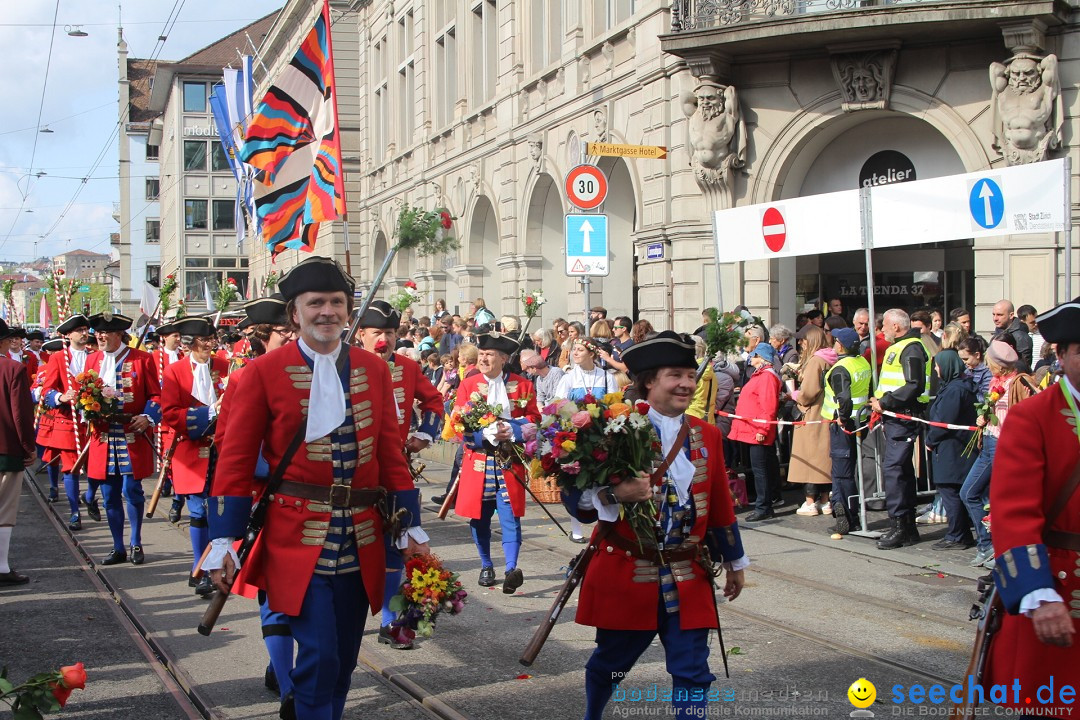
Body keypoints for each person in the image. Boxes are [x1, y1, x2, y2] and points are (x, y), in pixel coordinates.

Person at [206, 256, 428, 720]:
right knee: (320, 654)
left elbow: (391, 457)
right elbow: (235, 462)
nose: (327, 311)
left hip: (362, 536)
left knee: (344, 660)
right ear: (295, 313)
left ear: (348, 310)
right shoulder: (262, 372)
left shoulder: (374, 369)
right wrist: (223, 539)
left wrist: (410, 527)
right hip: (294, 535)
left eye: (336, 302)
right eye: (315, 303)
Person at [564, 330, 747, 719]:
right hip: (628, 571)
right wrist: (617, 495)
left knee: (694, 672)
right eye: (675, 375)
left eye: (689, 375)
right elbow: (578, 503)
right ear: (649, 380)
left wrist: (735, 563)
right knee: (610, 666)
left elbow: (719, 505)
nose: (686, 384)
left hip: (687, 571)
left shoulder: (708, 434)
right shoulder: (609, 428)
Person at [982, 296, 1080, 715]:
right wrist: (1041, 596)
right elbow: (1013, 514)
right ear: (1060, 354)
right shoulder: (1034, 417)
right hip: (1062, 587)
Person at [214, 294, 297, 702]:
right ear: (264, 336)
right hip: (270, 503)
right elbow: (225, 444)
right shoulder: (244, 377)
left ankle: (288, 671)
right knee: (274, 595)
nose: (293, 337)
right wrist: (269, 467)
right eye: (285, 331)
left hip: (322, 503)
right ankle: (287, 686)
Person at [354, 300, 443, 650]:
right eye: (378, 332)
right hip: (354, 472)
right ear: (361, 334)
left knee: (398, 542)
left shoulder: (407, 367)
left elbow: (434, 402)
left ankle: (390, 622)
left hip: (395, 467)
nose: (385, 339)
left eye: (390, 333)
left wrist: (423, 435)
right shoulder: (345, 364)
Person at [453, 332, 538, 591]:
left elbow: (535, 419)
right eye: (481, 355)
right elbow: (458, 424)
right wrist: (485, 435)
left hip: (509, 461)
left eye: (489, 355)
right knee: (480, 518)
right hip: (478, 461)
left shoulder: (523, 385)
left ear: (503, 358)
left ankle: (511, 568)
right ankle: (487, 565)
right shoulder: (468, 385)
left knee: (511, 516)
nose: (483, 359)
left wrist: (512, 431)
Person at [84, 312, 162, 566]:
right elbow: (82, 395)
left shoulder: (142, 359)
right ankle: (117, 546)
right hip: (102, 436)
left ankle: (136, 542)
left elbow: (157, 396)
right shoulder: (92, 361)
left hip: (132, 433)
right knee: (109, 494)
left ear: (119, 335)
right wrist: (85, 409)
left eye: (106, 333)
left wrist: (148, 417)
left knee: (132, 490)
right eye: (98, 333)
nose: (101, 337)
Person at [160, 316, 229, 598]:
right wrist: (208, 413)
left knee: (219, 510)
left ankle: (216, 565)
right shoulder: (175, 371)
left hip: (223, 447)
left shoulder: (226, 366)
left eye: (212, 339)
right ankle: (199, 567)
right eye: (205, 340)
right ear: (190, 343)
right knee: (199, 510)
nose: (211, 344)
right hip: (191, 449)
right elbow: (170, 413)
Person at [961, 340, 1032, 569]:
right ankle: (987, 545)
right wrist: (982, 419)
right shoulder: (995, 382)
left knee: (994, 498)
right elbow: (993, 411)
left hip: (1004, 445)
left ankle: (997, 549)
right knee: (969, 492)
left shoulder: (1018, 383)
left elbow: (1026, 414)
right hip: (989, 443)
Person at [869, 308, 930, 550]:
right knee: (901, 471)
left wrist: (885, 402)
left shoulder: (911, 347)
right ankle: (907, 526)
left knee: (894, 470)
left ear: (896, 326)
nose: (882, 329)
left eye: (884, 325)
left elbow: (914, 384)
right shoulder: (904, 346)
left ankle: (898, 525)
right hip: (895, 417)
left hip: (904, 417)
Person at [554, 336, 618, 543]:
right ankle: (576, 527)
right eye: (574, 350)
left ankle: (604, 525)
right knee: (576, 482)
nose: (575, 353)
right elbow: (558, 405)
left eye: (580, 350)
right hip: (577, 437)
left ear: (592, 353)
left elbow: (616, 405)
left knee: (602, 480)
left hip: (601, 436)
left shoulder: (607, 377)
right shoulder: (569, 378)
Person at [38, 315, 92, 531]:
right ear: (68, 335)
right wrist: (60, 397)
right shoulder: (59, 358)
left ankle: (89, 496)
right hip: (68, 421)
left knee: (97, 468)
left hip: (92, 421)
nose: (84, 333)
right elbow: (46, 390)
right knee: (71, 468)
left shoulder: (95, 356)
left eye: (85, 329)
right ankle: (74, 511)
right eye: (79, 330)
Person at [923, 350, 977, 551]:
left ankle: (957, 535)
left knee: (950, 491)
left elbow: (943, 421)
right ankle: (960, 533)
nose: (936, 370)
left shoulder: (954, 390)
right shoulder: (959, 386)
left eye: (937, 366)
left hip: (952, 448)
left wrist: (931, 439)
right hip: (956, 447)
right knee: (954, 491)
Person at [821, 328, 871, 536]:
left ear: (840, 345)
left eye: (835, 340)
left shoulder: (841, 368)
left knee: (842, 473)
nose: (833, 342)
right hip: (860, 422)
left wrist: (842, 417)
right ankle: (852, 515)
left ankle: (846, 517)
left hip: (844, 425)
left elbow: (844, 397)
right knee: (849, 470)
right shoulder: (862, 362)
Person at [728, 342, 782, 521]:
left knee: (761, 470)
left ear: (762, 357)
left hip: (758, 430)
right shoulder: (761, 375)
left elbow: (768, 406)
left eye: (755, 355)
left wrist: (762, 429)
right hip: (754, 429)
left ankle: (763, 507)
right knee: (761, 468)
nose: (751, 357)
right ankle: (764, 505)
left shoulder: (766, 377)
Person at [0, 319, 36, 586]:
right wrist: (28, 447)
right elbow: (21, 413)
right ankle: (1, 567)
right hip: (6, 449)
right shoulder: (13, 369)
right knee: (4, 510)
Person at [789, 325, 836, 516]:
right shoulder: (828, 358)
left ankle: (810, 502)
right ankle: (825, 501)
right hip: (824, 412)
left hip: (812, 414)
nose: (800, 343)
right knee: (824, 458)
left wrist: (794, 394)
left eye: (803, 339)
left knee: (810, 460)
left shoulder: (815, 361)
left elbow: (808, 393)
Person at [152, 322, 187, 522]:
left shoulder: (184, 357)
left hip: (182, 416)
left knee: (179, 460)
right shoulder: (154, 358)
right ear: (164, 338)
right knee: (169, 460)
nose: (178, 339)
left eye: (179, 335)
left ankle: (177, 499)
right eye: (174, 335)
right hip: (164, 419)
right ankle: (168, 485)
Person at [991, 299, 1033, 370]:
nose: (995, 318)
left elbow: (1024, 365)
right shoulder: (997, 333)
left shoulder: (1020, 336)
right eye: (993, 314)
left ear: (1011, 315)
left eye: (999, 315)